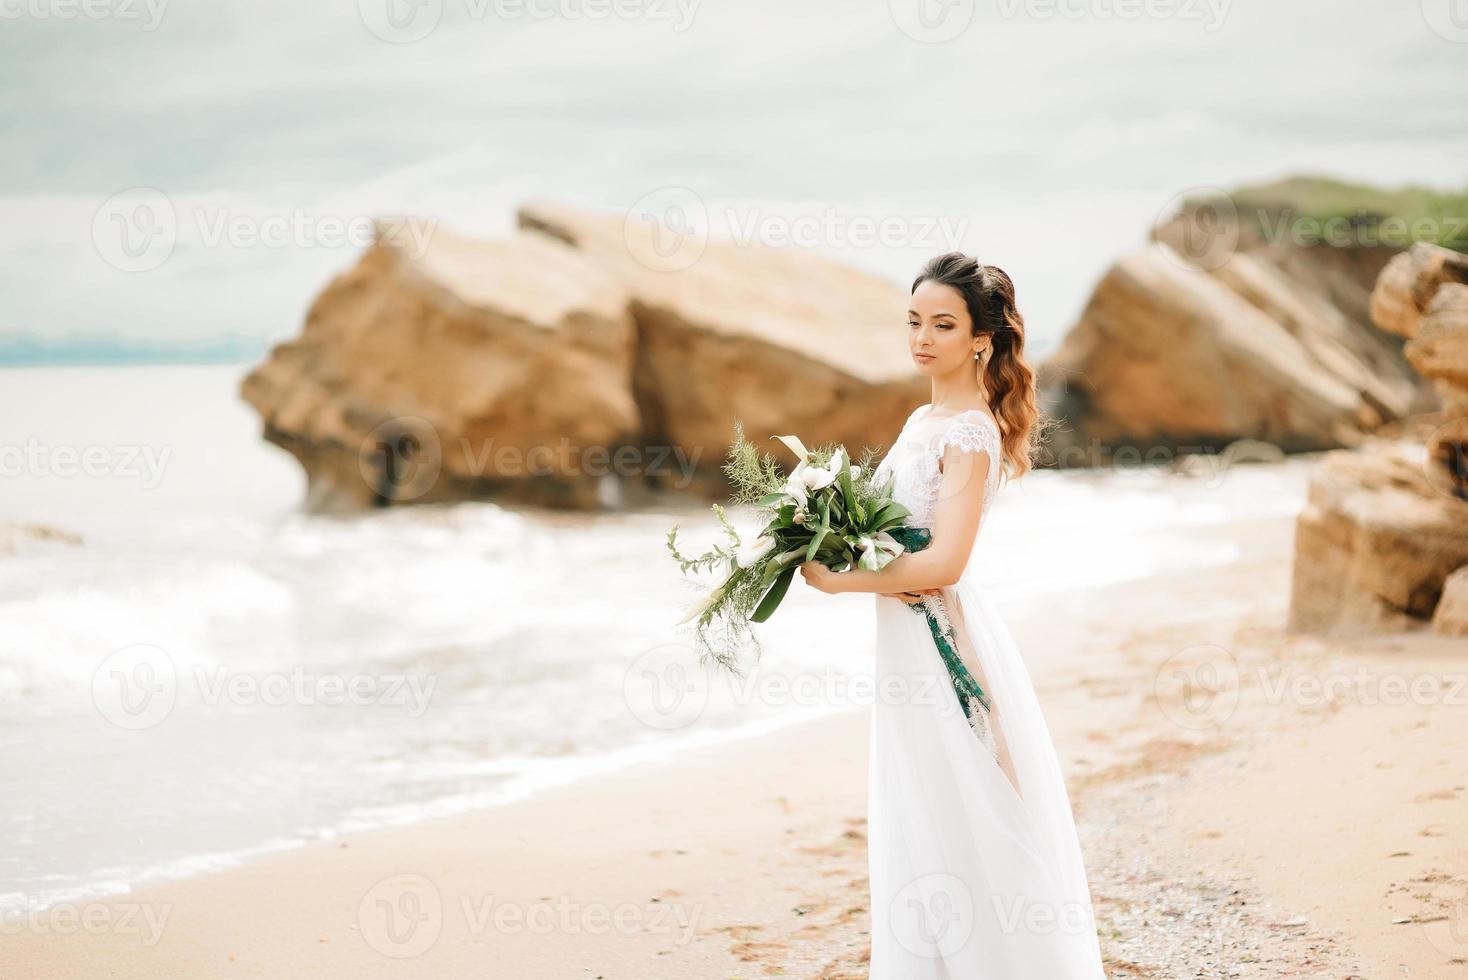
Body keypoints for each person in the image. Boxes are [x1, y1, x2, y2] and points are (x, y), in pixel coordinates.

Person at [798, 252, 1107, 977]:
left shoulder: (970, 431)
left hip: (941, 638)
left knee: (964, 798)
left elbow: (945, 564)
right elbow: (891, 528)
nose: (923, 338)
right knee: (923, 800)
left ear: (981, 338)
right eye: (914, 322)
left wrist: (839, 580)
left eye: (943, 323)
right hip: (903, 636)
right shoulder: (922, 418)